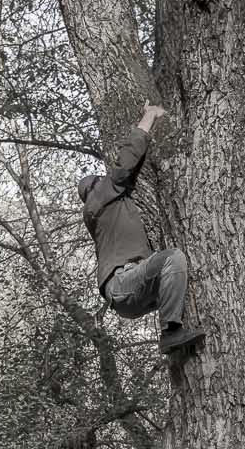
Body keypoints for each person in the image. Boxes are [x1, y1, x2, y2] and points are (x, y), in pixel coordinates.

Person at [78, 102, 206, 356]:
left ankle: (173, 330)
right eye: (102, 179)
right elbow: (127, 161)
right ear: (95, 187)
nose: (108, 180)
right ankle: (171, 333)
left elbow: (129, 175)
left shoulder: (107, 210)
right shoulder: (100, 196)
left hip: (127, 296)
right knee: (173, 258)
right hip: (122, 282)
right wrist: (149, 116)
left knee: (169, 275)